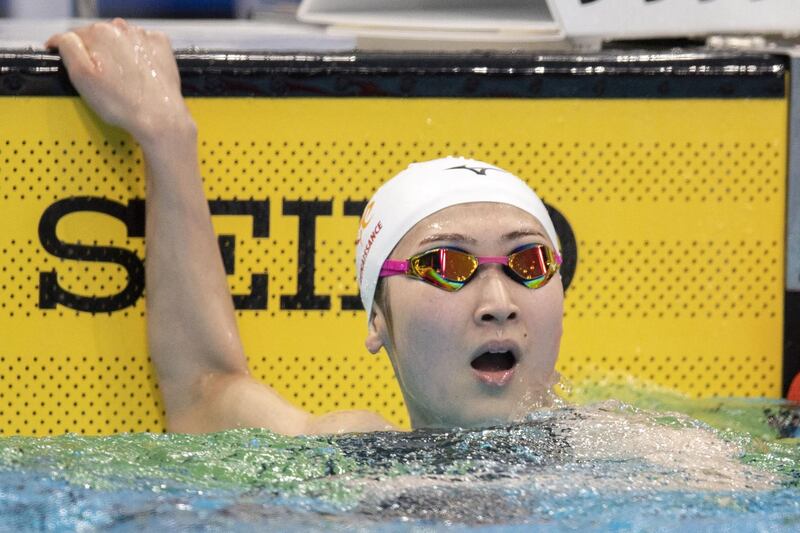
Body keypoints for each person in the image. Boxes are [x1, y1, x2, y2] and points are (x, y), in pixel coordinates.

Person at [45, 19, 565, 435]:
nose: (500, 300)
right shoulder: (358, 459)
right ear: (377, 320)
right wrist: (165, 134)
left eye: (529, 262)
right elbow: (203, 390)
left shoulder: (628, 451)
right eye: (448, 264)